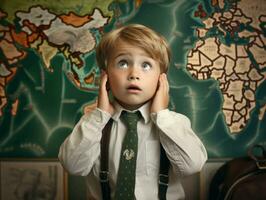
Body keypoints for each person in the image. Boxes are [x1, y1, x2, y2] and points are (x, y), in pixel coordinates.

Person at [58, 24, 207, 199]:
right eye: (123, 63)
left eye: (146, 65)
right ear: (105, 76)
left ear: (161, 79)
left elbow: (192, 166)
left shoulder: (174, 123)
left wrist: (161, 115)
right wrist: (100, 116)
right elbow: (72, 165)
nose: (134, 73)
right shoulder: (93, 123)